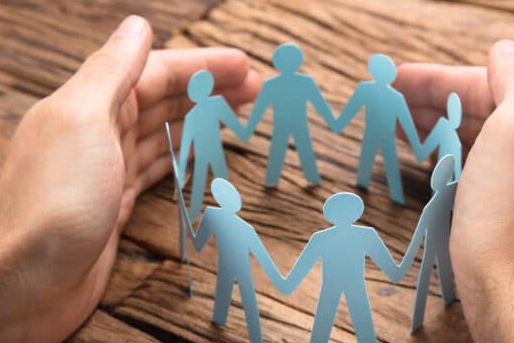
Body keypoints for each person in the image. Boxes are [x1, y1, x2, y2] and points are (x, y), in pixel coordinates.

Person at [0, 15, 514, 343]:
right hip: (301, 206)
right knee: (354, 256)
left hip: (323, 198)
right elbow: (393, 256)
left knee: (338, 272)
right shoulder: (276, 212)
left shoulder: (247, 217)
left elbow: (307, 256)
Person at [279, 192, 405, 343]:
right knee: (352, 314)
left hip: (337, 284)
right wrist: (398, 271)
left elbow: (302, 267)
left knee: (330, 315)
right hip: (349, 284)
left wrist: (287, 284)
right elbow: (389, 267)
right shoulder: (364, 234)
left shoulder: (322, 237)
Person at [180, 178, 285, 343]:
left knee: (235, 296)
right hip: (237, 266)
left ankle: (244, 334)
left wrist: (190, 232)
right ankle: (254, 340)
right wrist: (280, 280)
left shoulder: (213, 215)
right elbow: (261, 256)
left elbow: (198, 245)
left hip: (227, 265)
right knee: (246, 299)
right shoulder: (241, 226)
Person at [241, 43, 337, 186]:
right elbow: (320, 104)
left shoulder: (273, 84)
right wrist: (332, 122)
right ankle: (303, 178)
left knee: (285, 150)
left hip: (288, 124)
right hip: (293, 123)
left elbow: (259, 109)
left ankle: (280, 179)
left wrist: (248, 129)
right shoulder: (303, 82)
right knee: (296, 149)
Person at [334, 54, 421, 204]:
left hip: (382, 133)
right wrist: (417, 144)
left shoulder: (387, 94)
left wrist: (340, 123)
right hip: (376, 132)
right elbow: (353, 107)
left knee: (384, 161)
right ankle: (370, 185)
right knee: (379, 160)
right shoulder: (389, 95)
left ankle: (393, 193)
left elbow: (406, 121)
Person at [398, 155, 458, 332]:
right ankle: (445, 298)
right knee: (438, 271)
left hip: (440, 242)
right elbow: (419, 234)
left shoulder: (442, 199)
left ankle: (441, 301)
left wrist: (403, 266)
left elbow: (418, 236)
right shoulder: (453, 191)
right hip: (440, 242)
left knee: (428, 276)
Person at [177, 69, 247, 219]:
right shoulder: (193, 115)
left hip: (213, 150)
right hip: (204, 152)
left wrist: (242, 133)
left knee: (217, 181)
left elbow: (231, 121)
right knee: (203, 184)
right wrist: (181, 169)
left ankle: (225, 213)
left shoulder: (211, 106)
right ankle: (195, 215)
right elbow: (185, 144)